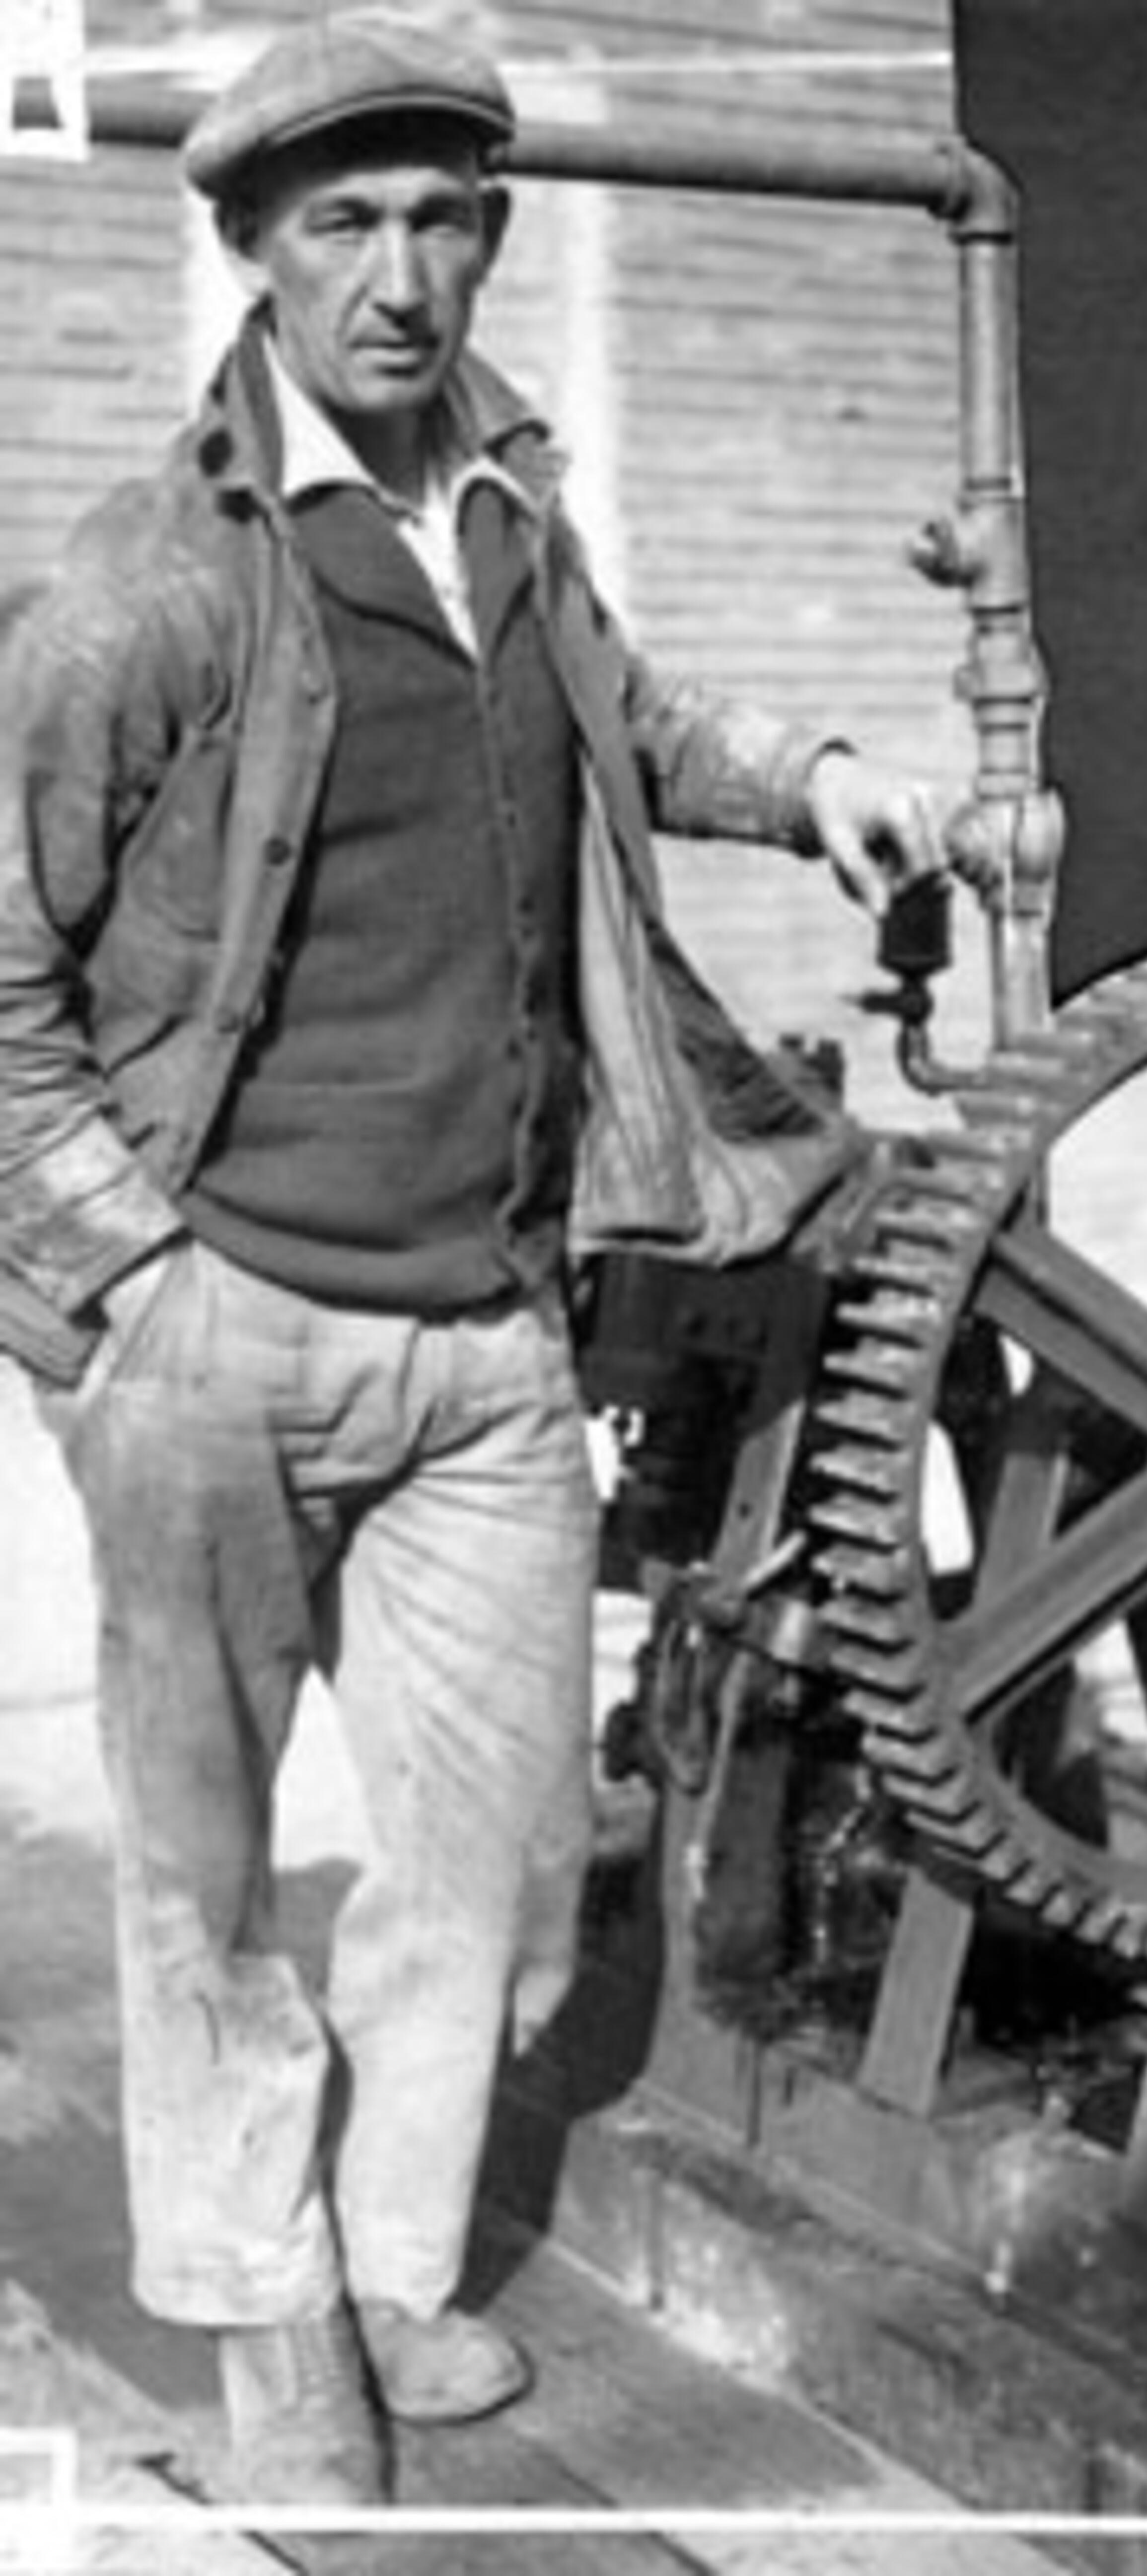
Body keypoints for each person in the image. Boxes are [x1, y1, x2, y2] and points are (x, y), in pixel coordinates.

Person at [0, 9, 944, 2509]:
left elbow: (623, 726)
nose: (401, 277)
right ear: (251, 255)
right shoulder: (146, 588)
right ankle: (262, 2304)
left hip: (489, 1338)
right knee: (201, 1875)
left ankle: (398, 2259)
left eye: (441, 218)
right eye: (343, 227)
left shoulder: (508, 516)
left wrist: (819, 778)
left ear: (487, 233)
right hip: (223, 1325)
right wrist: (118, 1285)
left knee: (498, 1849)